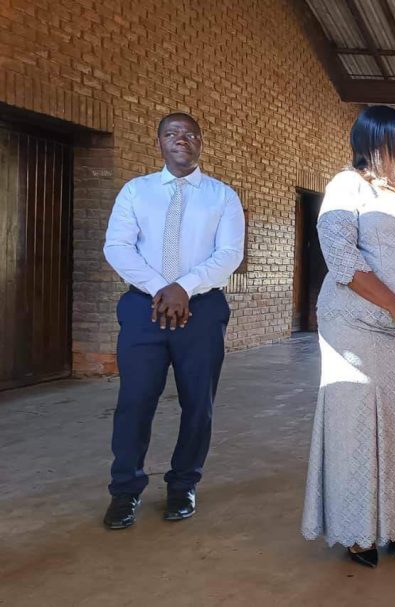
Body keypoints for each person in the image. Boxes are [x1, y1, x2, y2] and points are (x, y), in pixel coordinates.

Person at [301, 105, 395, 567]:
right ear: (374, 144)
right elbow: (341, 257)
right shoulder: (347, 187)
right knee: (356, 422)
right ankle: (358, 530)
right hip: (356, 328)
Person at [102, 112, 245, 529]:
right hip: (143, 308)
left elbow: (229, 254)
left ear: (201, 142)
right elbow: (117, 246)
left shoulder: (222, 196)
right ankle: (125, 490)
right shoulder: (136, 191)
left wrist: (184, 287)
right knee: (134, 402)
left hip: (202, 310)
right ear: (159, 142)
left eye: (189, 133)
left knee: (198, 403)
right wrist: (162, 289)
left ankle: (183, 484)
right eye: (171, 133)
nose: (181, 139)